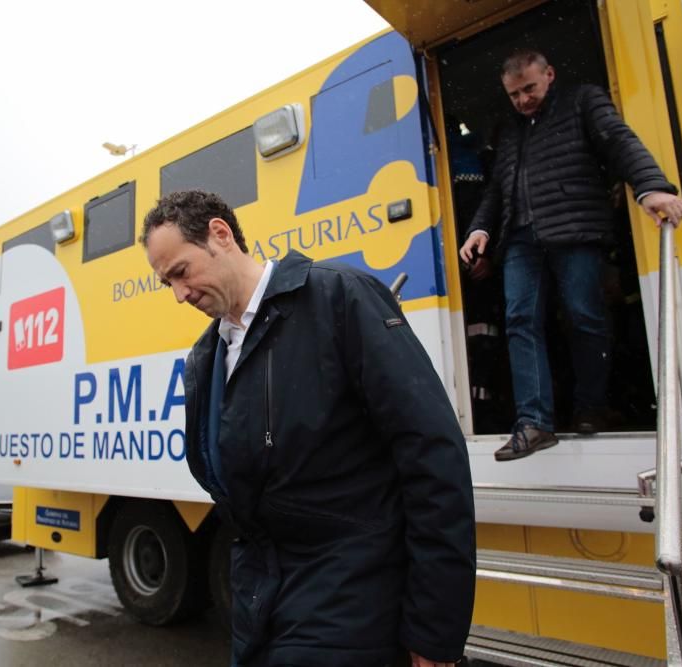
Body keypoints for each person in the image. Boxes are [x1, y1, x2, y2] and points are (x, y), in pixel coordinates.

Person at [141, 190, 476, 667]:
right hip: (261, 609)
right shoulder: (207, 357)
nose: (179, 294)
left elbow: (433, 456)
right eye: (166, 282)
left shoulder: (339, 296)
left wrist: (435, 626)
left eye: (181, 271)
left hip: (352, 605)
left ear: (220, 235)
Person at [458, 49, 682, 461]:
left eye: (529, 88)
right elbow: (496, 189)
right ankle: (533, 422)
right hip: (521, 238)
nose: (523, 100)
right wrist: (480, 230)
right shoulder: (509, 130)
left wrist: (651, 187)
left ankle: (591, 407)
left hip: (575, 226)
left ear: (550, 74)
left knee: (584, 315)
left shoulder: (583, 100)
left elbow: (619, 142)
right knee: (519, 321)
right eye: (514, 95)